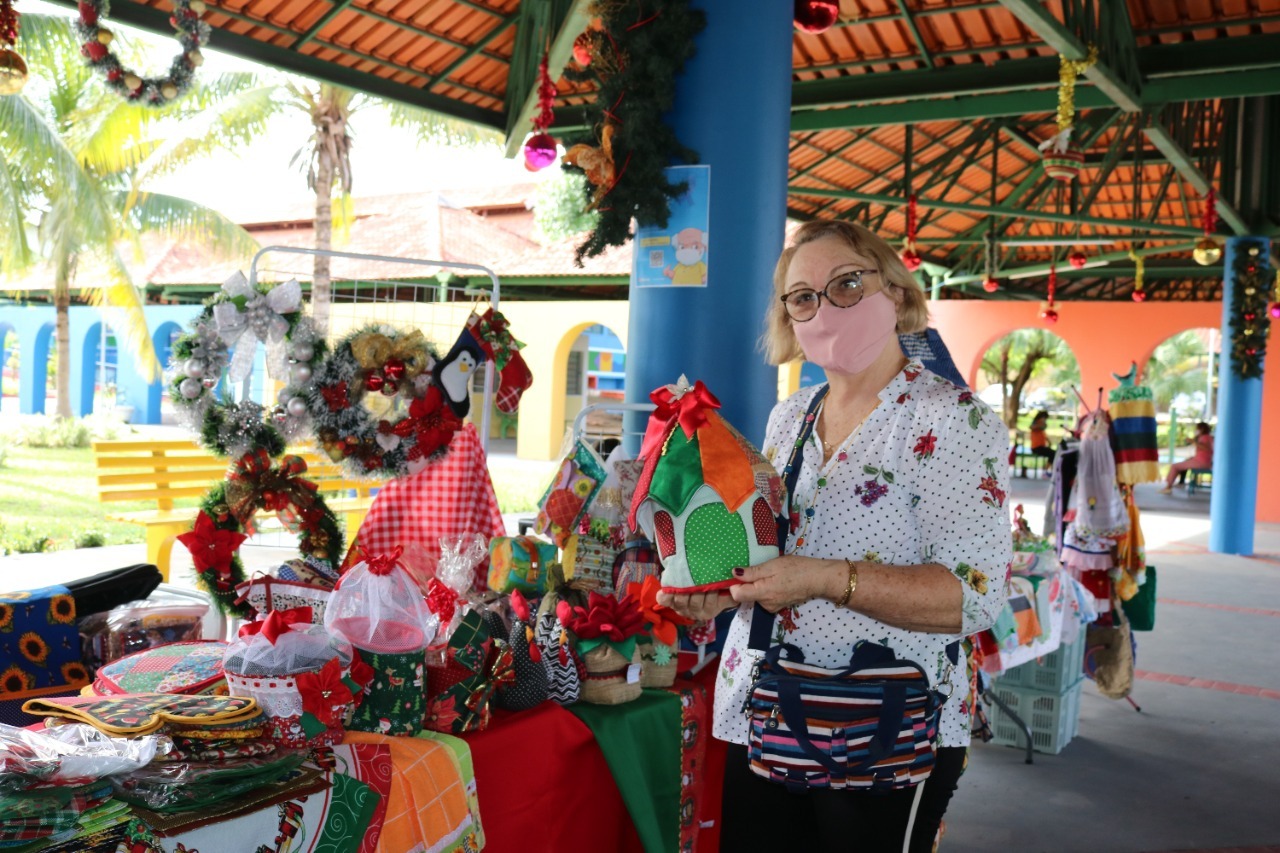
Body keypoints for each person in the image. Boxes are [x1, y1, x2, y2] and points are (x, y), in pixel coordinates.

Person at [658, 220, 1011, 851]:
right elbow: (768, 556)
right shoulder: (791, 415)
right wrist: (722, 591)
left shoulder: (953, 419)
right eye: (803, 297)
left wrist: (824, 578)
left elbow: (972, 596)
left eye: (847, 283)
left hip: (888, 723)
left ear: (896, 295)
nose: (824, 307)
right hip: (765, 708)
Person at [1160, 421, 1213, 494]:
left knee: (1175, 466)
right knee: (1183, 463)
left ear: (1202, 429)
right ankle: (1175, 483)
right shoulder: (1206, 437)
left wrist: (1193, 441)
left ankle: (1168, 486)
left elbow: (1206, 448)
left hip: (1201, 462)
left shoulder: (1205, 438)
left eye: (1197, 429)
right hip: (1202, 461)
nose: (1196, 430)